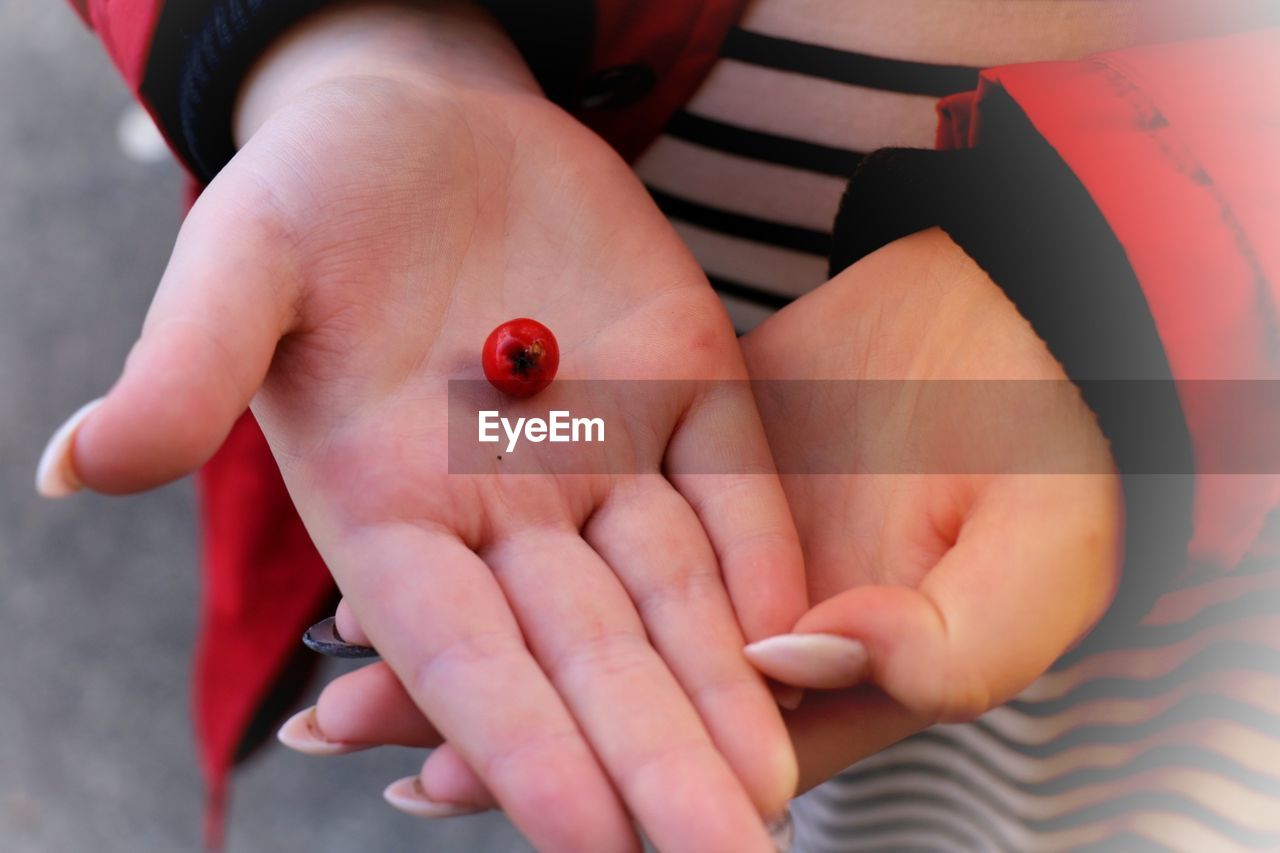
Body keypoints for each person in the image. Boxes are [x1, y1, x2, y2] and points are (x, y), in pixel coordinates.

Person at [41, 0, 1280, 850]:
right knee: (786, 707)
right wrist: (338, 34)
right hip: (725, 425)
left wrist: (1138, 279)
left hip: (1157, 492)